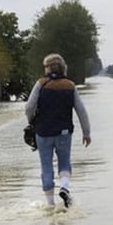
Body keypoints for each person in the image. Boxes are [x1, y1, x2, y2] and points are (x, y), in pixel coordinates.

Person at [24, 53, 91, 208]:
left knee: (46, 167)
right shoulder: (70, 85)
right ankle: (65, 188)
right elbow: (81, 111)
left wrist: (32, 121)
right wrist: (86, 133)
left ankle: (50, 205)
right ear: (62, 68)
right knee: (64, 163)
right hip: (64, 132)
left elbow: (29, 107)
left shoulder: (41, 84)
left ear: (48, 68)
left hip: (43, 132)